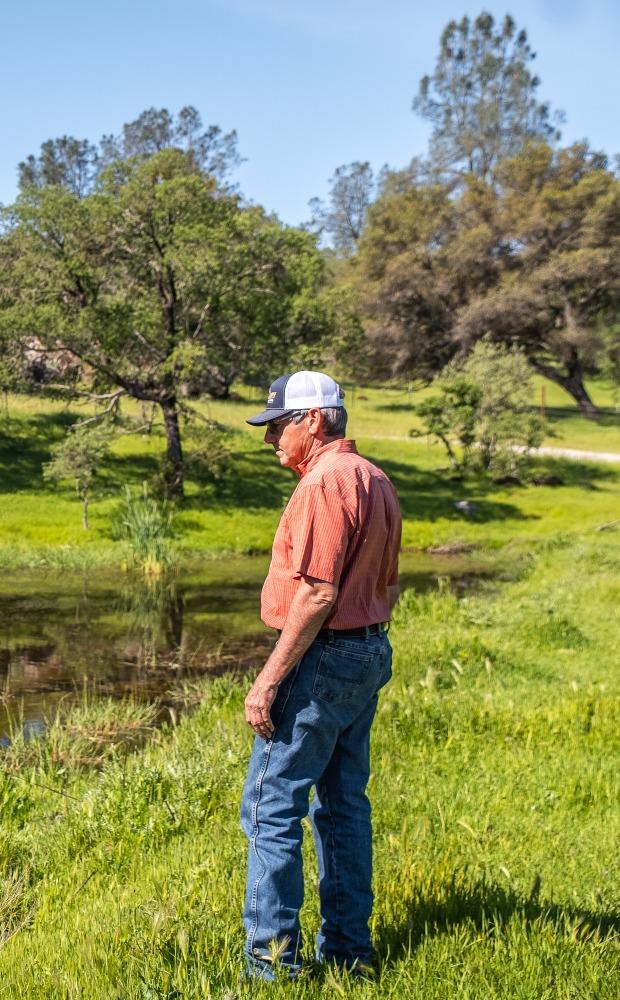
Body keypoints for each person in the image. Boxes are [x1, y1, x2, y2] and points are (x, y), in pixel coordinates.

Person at [238, 370, 402, 980]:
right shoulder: (374, 478)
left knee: (271, 806)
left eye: (278, 425)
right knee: (342, 806)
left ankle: (272, 965)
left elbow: (316, 594)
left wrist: (268, 680)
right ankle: (349, 954)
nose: (269, 439)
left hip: (324, 657)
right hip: (366, 652)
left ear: (313, 420)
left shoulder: (325, 482)